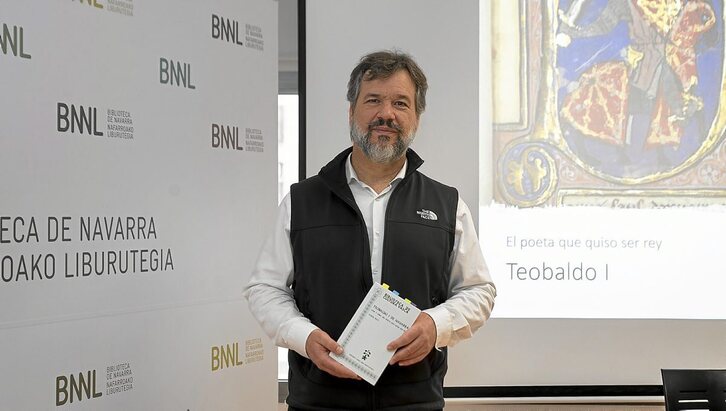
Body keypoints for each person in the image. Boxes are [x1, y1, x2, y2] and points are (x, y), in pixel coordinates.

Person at [244, 50, 496, 411]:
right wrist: (304, 337)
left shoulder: (447, 205)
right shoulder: (301, 201)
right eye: (373, 100)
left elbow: (479, 290)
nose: (386, 114)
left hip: (414, 403)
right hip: (319, 402)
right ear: (351, 111)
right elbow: (264, 288)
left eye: (400, 103)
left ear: (417, 117)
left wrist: (435, 325)